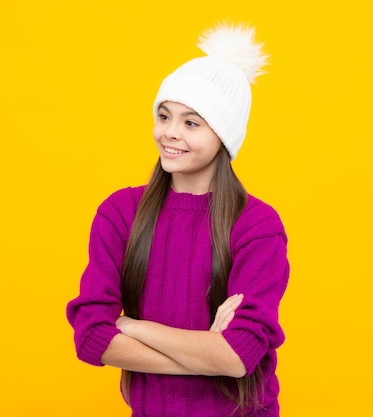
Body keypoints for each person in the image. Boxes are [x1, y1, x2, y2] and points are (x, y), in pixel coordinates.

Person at [66, 22, 290, 417]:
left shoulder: (257, 226)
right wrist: (207, 353)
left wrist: (132, 326)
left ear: (224, 136)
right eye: (164, 115)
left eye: (191, 123)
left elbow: (238, 357)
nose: (169, 134)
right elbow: (91, 338)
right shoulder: (120, 214)